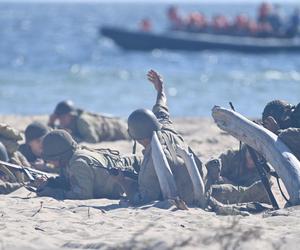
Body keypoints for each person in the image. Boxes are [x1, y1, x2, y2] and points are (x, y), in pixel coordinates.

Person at [123, 70, 203, 206]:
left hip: (186, 201)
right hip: (204, 184)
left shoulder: (151, 162)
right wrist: (160, 90)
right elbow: (162, 106)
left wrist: (122, 182)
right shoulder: (166, 127)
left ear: (137, 138)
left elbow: (143, 199)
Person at [36, 129, 138, 200]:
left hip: (135, 171)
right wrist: (49, 182)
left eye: (51, 159)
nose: (49, 162)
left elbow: (82, 195)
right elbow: (69, 181)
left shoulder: (78, 163)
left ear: (60, 157)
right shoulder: (69, 159)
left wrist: (52, 193)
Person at [205, 145, 270, 204]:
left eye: (258, 156)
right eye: (251, 156)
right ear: (246, 149)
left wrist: (229, 183)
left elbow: (251, 192)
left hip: (239, 196)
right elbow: (212, 174)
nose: (253, 160)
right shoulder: (231, 156)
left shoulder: (264, 171)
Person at [48, 100, 129, 143]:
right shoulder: (67, 123)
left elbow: (92, 140)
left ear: (71, 116)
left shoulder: (82, 121)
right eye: (58, 117)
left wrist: (72, 137)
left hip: (120, 129)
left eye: (62, 117)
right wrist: (51, 123)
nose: (60, 120)